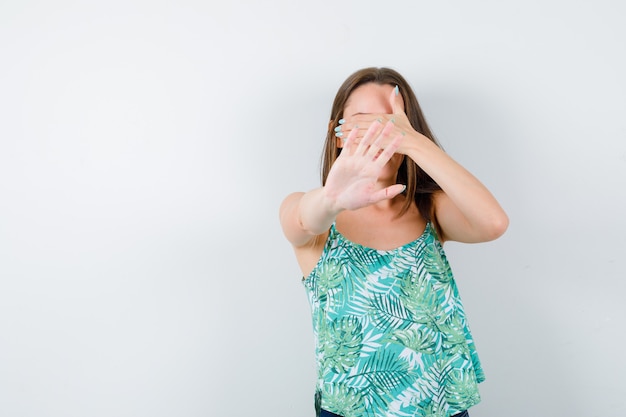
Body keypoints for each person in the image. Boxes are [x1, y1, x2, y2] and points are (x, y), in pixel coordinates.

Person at [279, 67, 509, 417]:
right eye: (362, 121)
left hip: (442, 407)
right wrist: (333, 198)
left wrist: (414, 142)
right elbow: (299, 222)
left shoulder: (430, 210)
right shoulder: (316, 216)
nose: (379, 133)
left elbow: (493, 223)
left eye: (391, 122)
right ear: (337, 134)